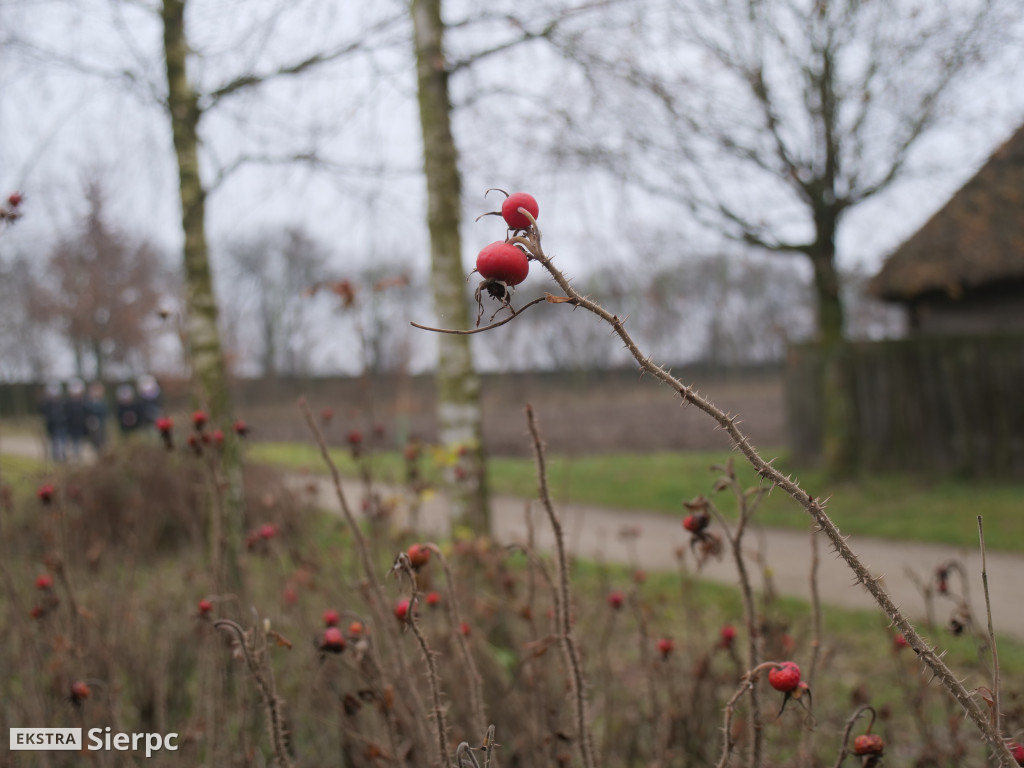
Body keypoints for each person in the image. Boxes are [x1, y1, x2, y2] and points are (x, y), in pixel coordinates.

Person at [38, 381, 68, 462]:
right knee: (54, 443)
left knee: (63, 443)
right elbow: (42, 411)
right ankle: (56, 459)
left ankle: (62, 457)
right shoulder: (47, 403)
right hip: (52, 427)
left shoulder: (63, 402)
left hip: (62, 425)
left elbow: (68, 413)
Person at [65, 378, 87, 461]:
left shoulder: (84, 402)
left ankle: (77, 456)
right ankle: (74, 456)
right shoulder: (68, 403)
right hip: (70, 427)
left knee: (78, 443)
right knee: (72, 443)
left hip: (80, 427)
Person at [84, 381, 108, 455]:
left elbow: (105, 413)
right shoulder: (87, 401)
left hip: (101, 425)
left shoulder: (102, 401)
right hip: (90, 427)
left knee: (101, 443)